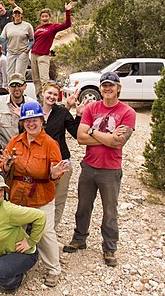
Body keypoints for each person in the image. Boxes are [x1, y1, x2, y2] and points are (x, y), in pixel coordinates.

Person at [63, 72, 135, 267]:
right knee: (83, 206)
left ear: (118, 88)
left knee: (110, 210)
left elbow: (118, 143)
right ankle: (79, 238)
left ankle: (110, 247)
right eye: (104, 85)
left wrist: (93, 131)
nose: (107, 89)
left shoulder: (127, 112)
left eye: (111, 85)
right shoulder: (91, 108)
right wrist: (108, 136)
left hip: (110, 169)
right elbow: (80, 138)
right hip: (88, 166)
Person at [0, 101, 69, 287]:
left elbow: (56, 170)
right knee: (17, 232)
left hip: (41, 196)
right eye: (27, 120)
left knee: (46, 233)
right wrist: (6, 165)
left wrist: (55, 173)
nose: (31, 123)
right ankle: (19, 265)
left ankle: (54, 269)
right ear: (22, 122)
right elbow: (4, 164)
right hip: (18, 195)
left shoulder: (50, 144)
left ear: (41, 120)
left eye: (34, 120)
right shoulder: (15, 141)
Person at [41, 83, 88, 229]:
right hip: (41, 162)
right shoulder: (34, 110)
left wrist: (79, 115)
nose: (52, 97)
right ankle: (39, 229)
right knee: (41, 198)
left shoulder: (61, 112)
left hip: (62, 160)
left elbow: (75, 132)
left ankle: (51, 230)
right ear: (43, 93)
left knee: (59, 199)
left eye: (55, 94)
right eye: (49, 93)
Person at [31, 2, 76, 98]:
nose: (44, 18)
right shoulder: (38, 28)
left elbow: (67, 24)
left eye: (46, 16)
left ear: (49, 17)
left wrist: (67, 11)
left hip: (43, 55)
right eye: (42, 16)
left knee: (44, 79)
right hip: (34, 54)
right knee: (35, 79)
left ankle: (46, 98)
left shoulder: (53, 27)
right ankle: (39, 98)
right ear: (40, 18)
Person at [0, 73, 36, 145]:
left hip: (27, 147)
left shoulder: (33, 104)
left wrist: (24, 117)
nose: (16, 88)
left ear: (25, 86)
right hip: (4, 147)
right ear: (8, 87)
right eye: (13, 85)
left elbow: (38, 129)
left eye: (19, 85)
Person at [0, 6, 35, 79]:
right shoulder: (8, 26)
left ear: (21, 14)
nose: (17, 15)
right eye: (15, 13)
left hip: (22, 52)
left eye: (19, 13)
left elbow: (32, 40)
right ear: (13, 15)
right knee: (10, 75)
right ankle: (11, 90)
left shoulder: (27, 26)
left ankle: (20, 89)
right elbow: (2, 40)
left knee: (19, 74)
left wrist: (28, 48)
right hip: (10, 52)